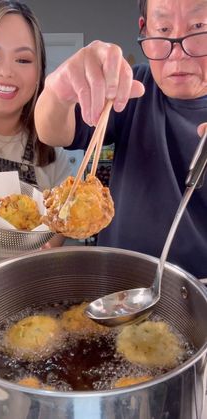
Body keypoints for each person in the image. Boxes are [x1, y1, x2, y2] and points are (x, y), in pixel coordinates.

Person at [35, 0, 207, 278]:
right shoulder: (130, 89)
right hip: (114, 291)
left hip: (199, 294)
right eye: (163, 28)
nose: (177, 53)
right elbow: (51, 132)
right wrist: (57, 91)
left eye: (199, 27)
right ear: (145, 30)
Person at [0, 0, 71, 247]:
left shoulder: (52, 156)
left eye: (23, 60)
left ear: (39, 73)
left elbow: (52, 243)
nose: (6, 71)